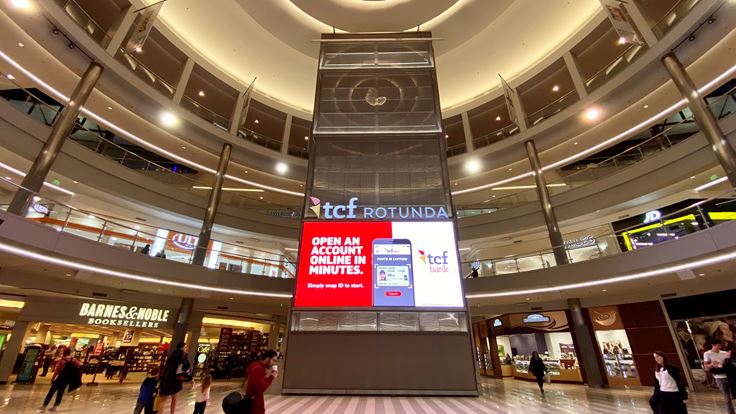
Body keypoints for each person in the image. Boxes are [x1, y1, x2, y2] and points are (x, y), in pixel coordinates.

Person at [42, 347, 81, 411]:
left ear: (64, 353)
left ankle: (45, 405)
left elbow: (56, 371)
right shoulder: (73, 360)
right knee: (61, 391)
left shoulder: (61, 360)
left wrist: (52, 379)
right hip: (67, 378)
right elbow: (79, 366)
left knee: (52, 391)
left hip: (61, 377)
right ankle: (55, 406)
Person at [159, 343, 191, 414]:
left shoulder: (172, 356)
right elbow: (185, 367)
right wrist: (189, 378)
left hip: (167, 379)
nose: (187, 349)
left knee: (163, 400)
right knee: (174, 399)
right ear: (181, 348)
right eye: (185, 347)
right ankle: (172, 413)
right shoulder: (182, 356)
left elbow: (167, 368)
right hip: (175, 380)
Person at [244, 350, 279, 414]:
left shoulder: (256, 364)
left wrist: (266, 376)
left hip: (249, 400)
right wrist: (271, 377)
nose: (273, 363)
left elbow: (248, 373)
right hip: (255, 403)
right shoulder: (259, 368)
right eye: (273, 360)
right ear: (268, 358)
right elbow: (261, 388)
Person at [704, 342, 734, 414]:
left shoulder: (724, 352)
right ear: (713, 345)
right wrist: (712, 364)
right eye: (717, 345)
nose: (719, 347)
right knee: (727, 397)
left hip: (730, 376)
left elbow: (730, 362)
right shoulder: (707, 354)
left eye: (720, 345)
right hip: (719, 377)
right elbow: (706, 366)